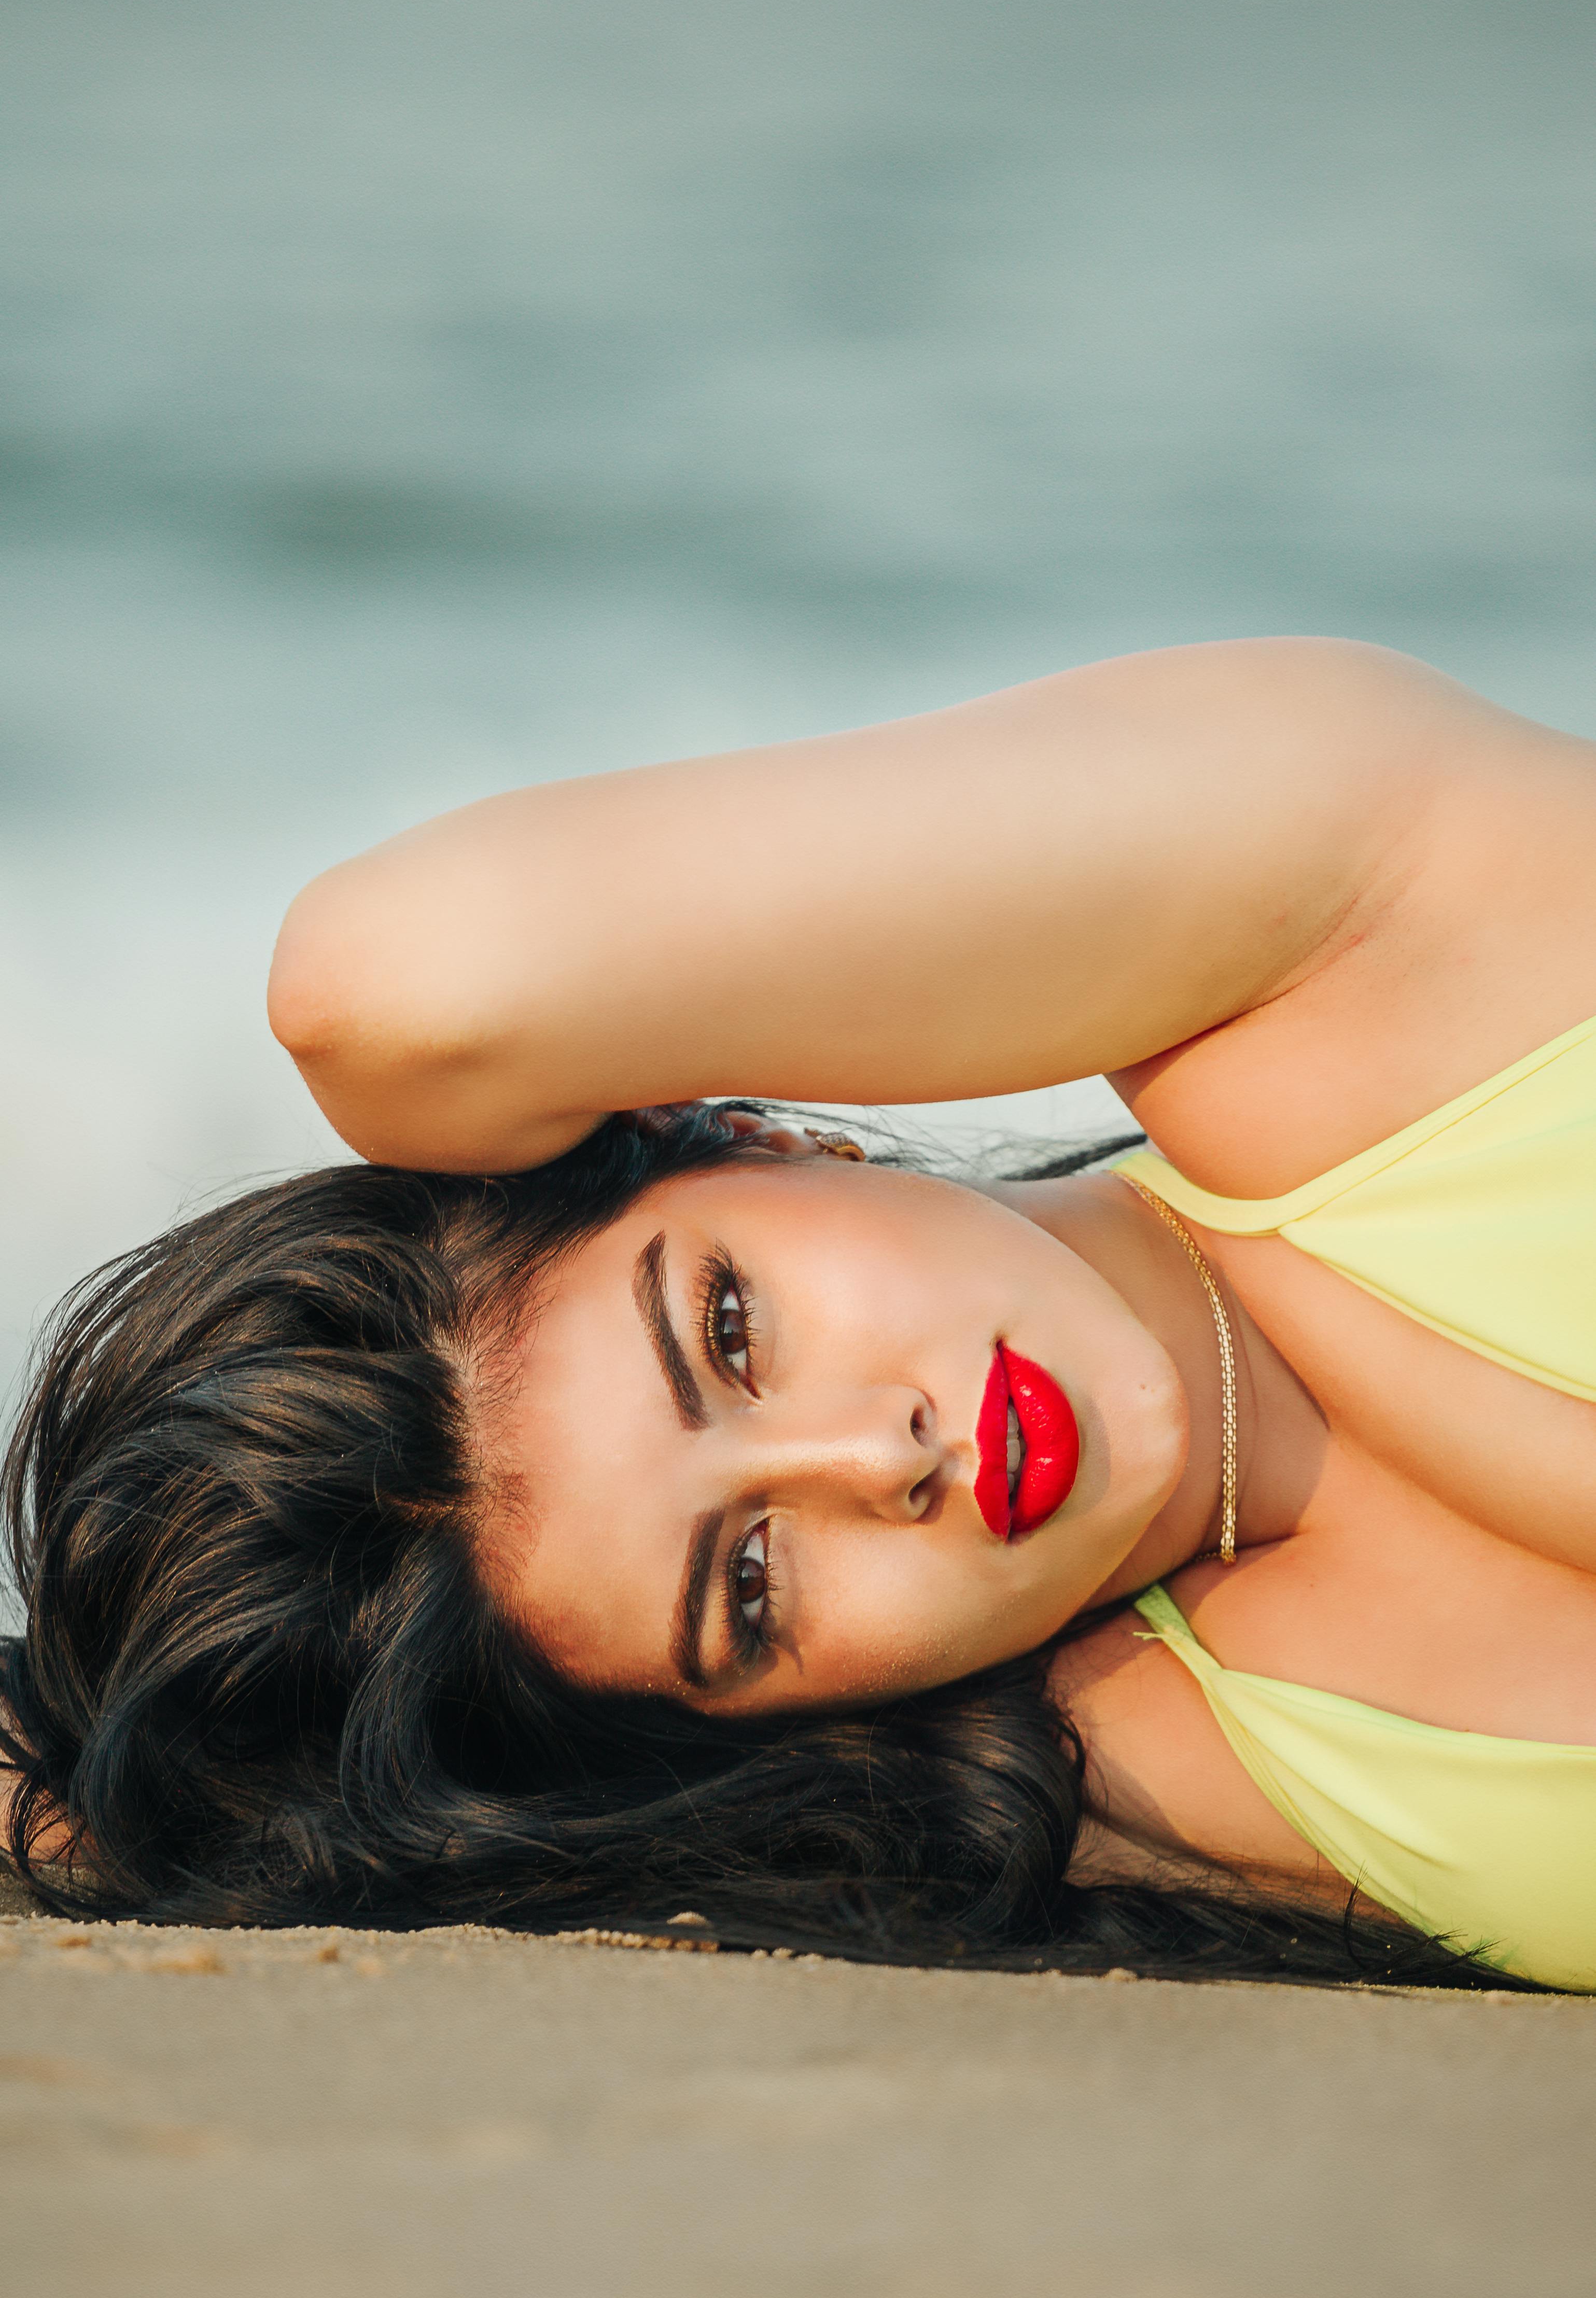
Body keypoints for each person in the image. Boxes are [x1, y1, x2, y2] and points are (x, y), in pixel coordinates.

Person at [5, 638, 1594, 1987]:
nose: (876, 1458)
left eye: (733, 1332)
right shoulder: (1155, 1787)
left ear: (763, 1130)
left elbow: (398, 988)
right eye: (750, 1583)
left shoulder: (1359, 925)